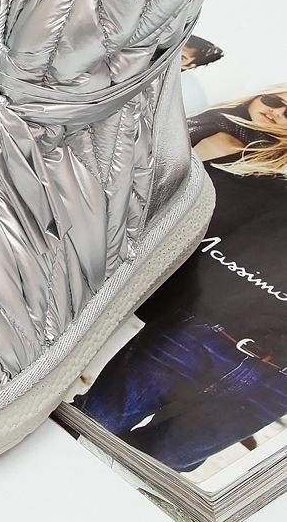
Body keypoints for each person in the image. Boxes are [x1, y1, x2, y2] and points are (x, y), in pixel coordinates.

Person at [75, 86, 287, 474]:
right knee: (94, 423)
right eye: (277, 101)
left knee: (158, 467)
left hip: (275, 383)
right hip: (203, 330)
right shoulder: (233, 147)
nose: (278, 113)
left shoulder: (261, 169)